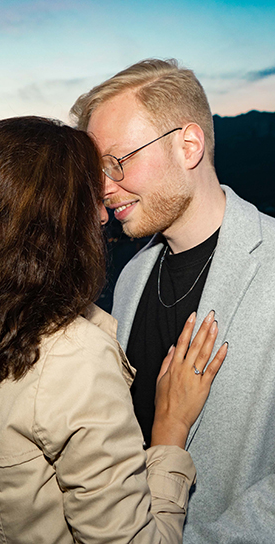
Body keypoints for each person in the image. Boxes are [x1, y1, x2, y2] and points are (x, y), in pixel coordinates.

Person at [0, 116, 226, 544]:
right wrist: (170, 432)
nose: (105, 214)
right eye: (92, 196)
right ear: (63, 218)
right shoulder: (75, 357)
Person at [71, 58, 275, 543]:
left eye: (118, 161)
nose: (103, 187)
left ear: (188, 146)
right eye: (97, 170)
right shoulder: (131, 275)